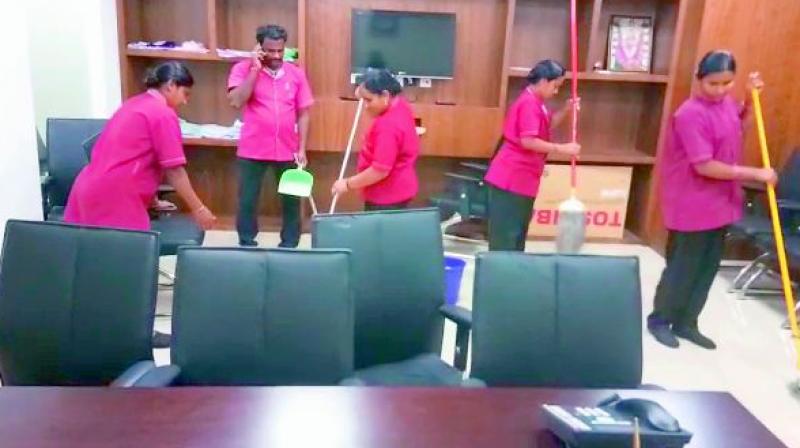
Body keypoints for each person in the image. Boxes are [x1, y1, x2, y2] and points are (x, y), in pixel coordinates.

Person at [648, 50, 777, 350]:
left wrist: (748, 98)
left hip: (720, 204)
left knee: (706, 269)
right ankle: (660, 320)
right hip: (691, 204)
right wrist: (755, 174)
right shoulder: (689, 114)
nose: (720, 90)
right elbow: (704, 165)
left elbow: (737, 129)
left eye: (727, 83)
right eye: (713, 84)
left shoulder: (727, 104)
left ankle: (687, 322)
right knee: (682, 268)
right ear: (699, 79)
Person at [65, 61, 216, 232]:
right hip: (116, 196)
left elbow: (132, 157)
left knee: (93, 255)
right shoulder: (162, 114)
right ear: (171, 85)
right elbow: (174, 171)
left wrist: (152, 201)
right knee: (129, 255)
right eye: (185, 94)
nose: (185, 101)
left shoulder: (133, 104)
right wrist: (199, 209)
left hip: (87, 188)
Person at [227, 24, 313, 247]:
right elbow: (237, 101)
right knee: (247, 200)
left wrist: (302, 148)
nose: (276, 55)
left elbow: (304, 113)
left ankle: (290, 243)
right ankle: (246, 241)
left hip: (287, 148)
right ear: (259, 48)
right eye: (270, 50)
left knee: (292, 199)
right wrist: (254, 70)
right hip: (252, 148)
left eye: (280, 50)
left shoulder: (296, 74)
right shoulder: (242, 69)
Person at [483, 59, 581, 251]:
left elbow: (545, 127)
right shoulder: (528, 103)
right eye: (555, 86)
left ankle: (515, 272)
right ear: (544, 81)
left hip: (523, 179)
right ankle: (502, 275)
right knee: (507, 235)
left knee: (518, 232)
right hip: (511, 179)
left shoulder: (537, 102)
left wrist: (566, 110)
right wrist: (563, 149)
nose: (556, 91)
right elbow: (529, 141)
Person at [331, 69, 419, 211]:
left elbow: (380, 170)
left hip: (386, 197)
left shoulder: (388, 126)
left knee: (380, 233)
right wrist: (362, 90)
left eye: (368, 100)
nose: (365, 106)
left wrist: (347, 184)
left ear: (385, 95)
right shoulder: (400, 104)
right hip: (400, 190)